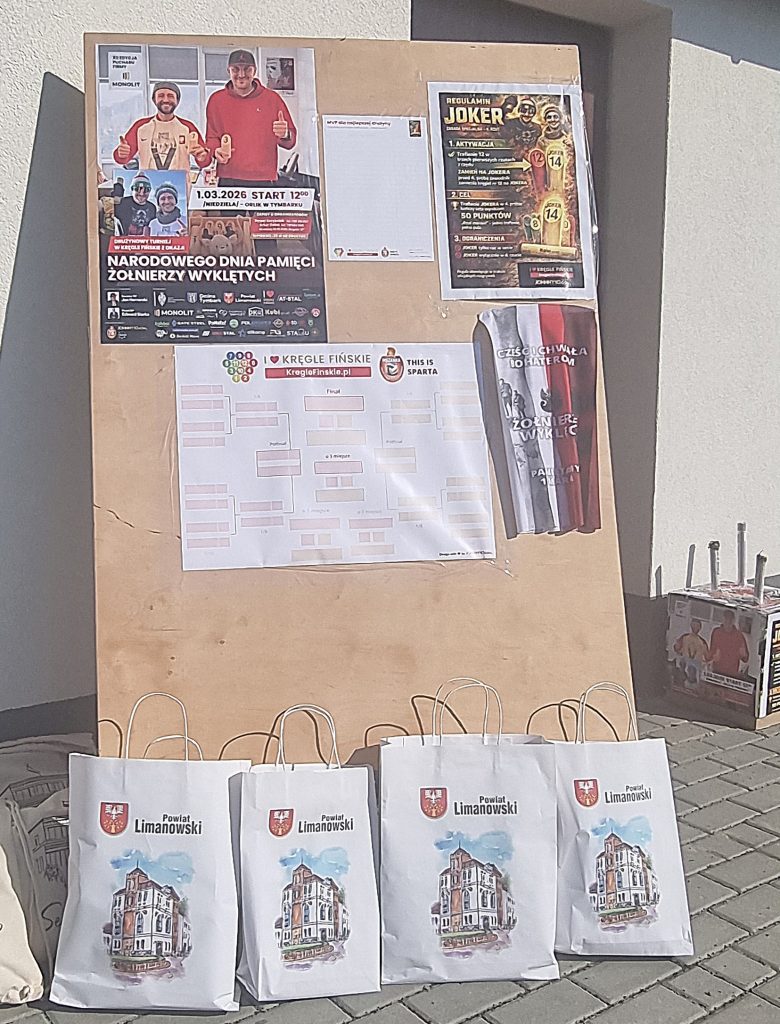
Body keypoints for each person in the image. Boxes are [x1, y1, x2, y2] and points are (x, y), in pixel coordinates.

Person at [205, 49, 297, 186]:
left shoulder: (272, 99)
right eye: (235, 69)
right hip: (229, 178)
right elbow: (211, 138)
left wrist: (285, 134)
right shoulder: (216, 100)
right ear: (228, 71)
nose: (241, 75)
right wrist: (215, 151)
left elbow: (291, 142)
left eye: (247, 69)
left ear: (254, 71)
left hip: (264, 179)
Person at [113, 82, 210, 172]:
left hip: (180, 183)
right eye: (161, 96)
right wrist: (121, 153)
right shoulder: (141, 127)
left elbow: (205, 161)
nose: (166, 100)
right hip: (148, 182)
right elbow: (121, 158)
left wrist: (202, 156)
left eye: (170, 96)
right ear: (154, 100)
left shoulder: (187, 127)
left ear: (177, 100)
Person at [709, 609, 749, 677]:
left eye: (730, 620)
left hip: (732, 674)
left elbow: (745, 659)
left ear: (733, 621)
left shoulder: (739, 636)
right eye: (726, 619)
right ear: (722, 619)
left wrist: (744, 654)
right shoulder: (716, 632)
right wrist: (713, 656)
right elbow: (712, 651)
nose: (728, 622)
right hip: (717, 671)